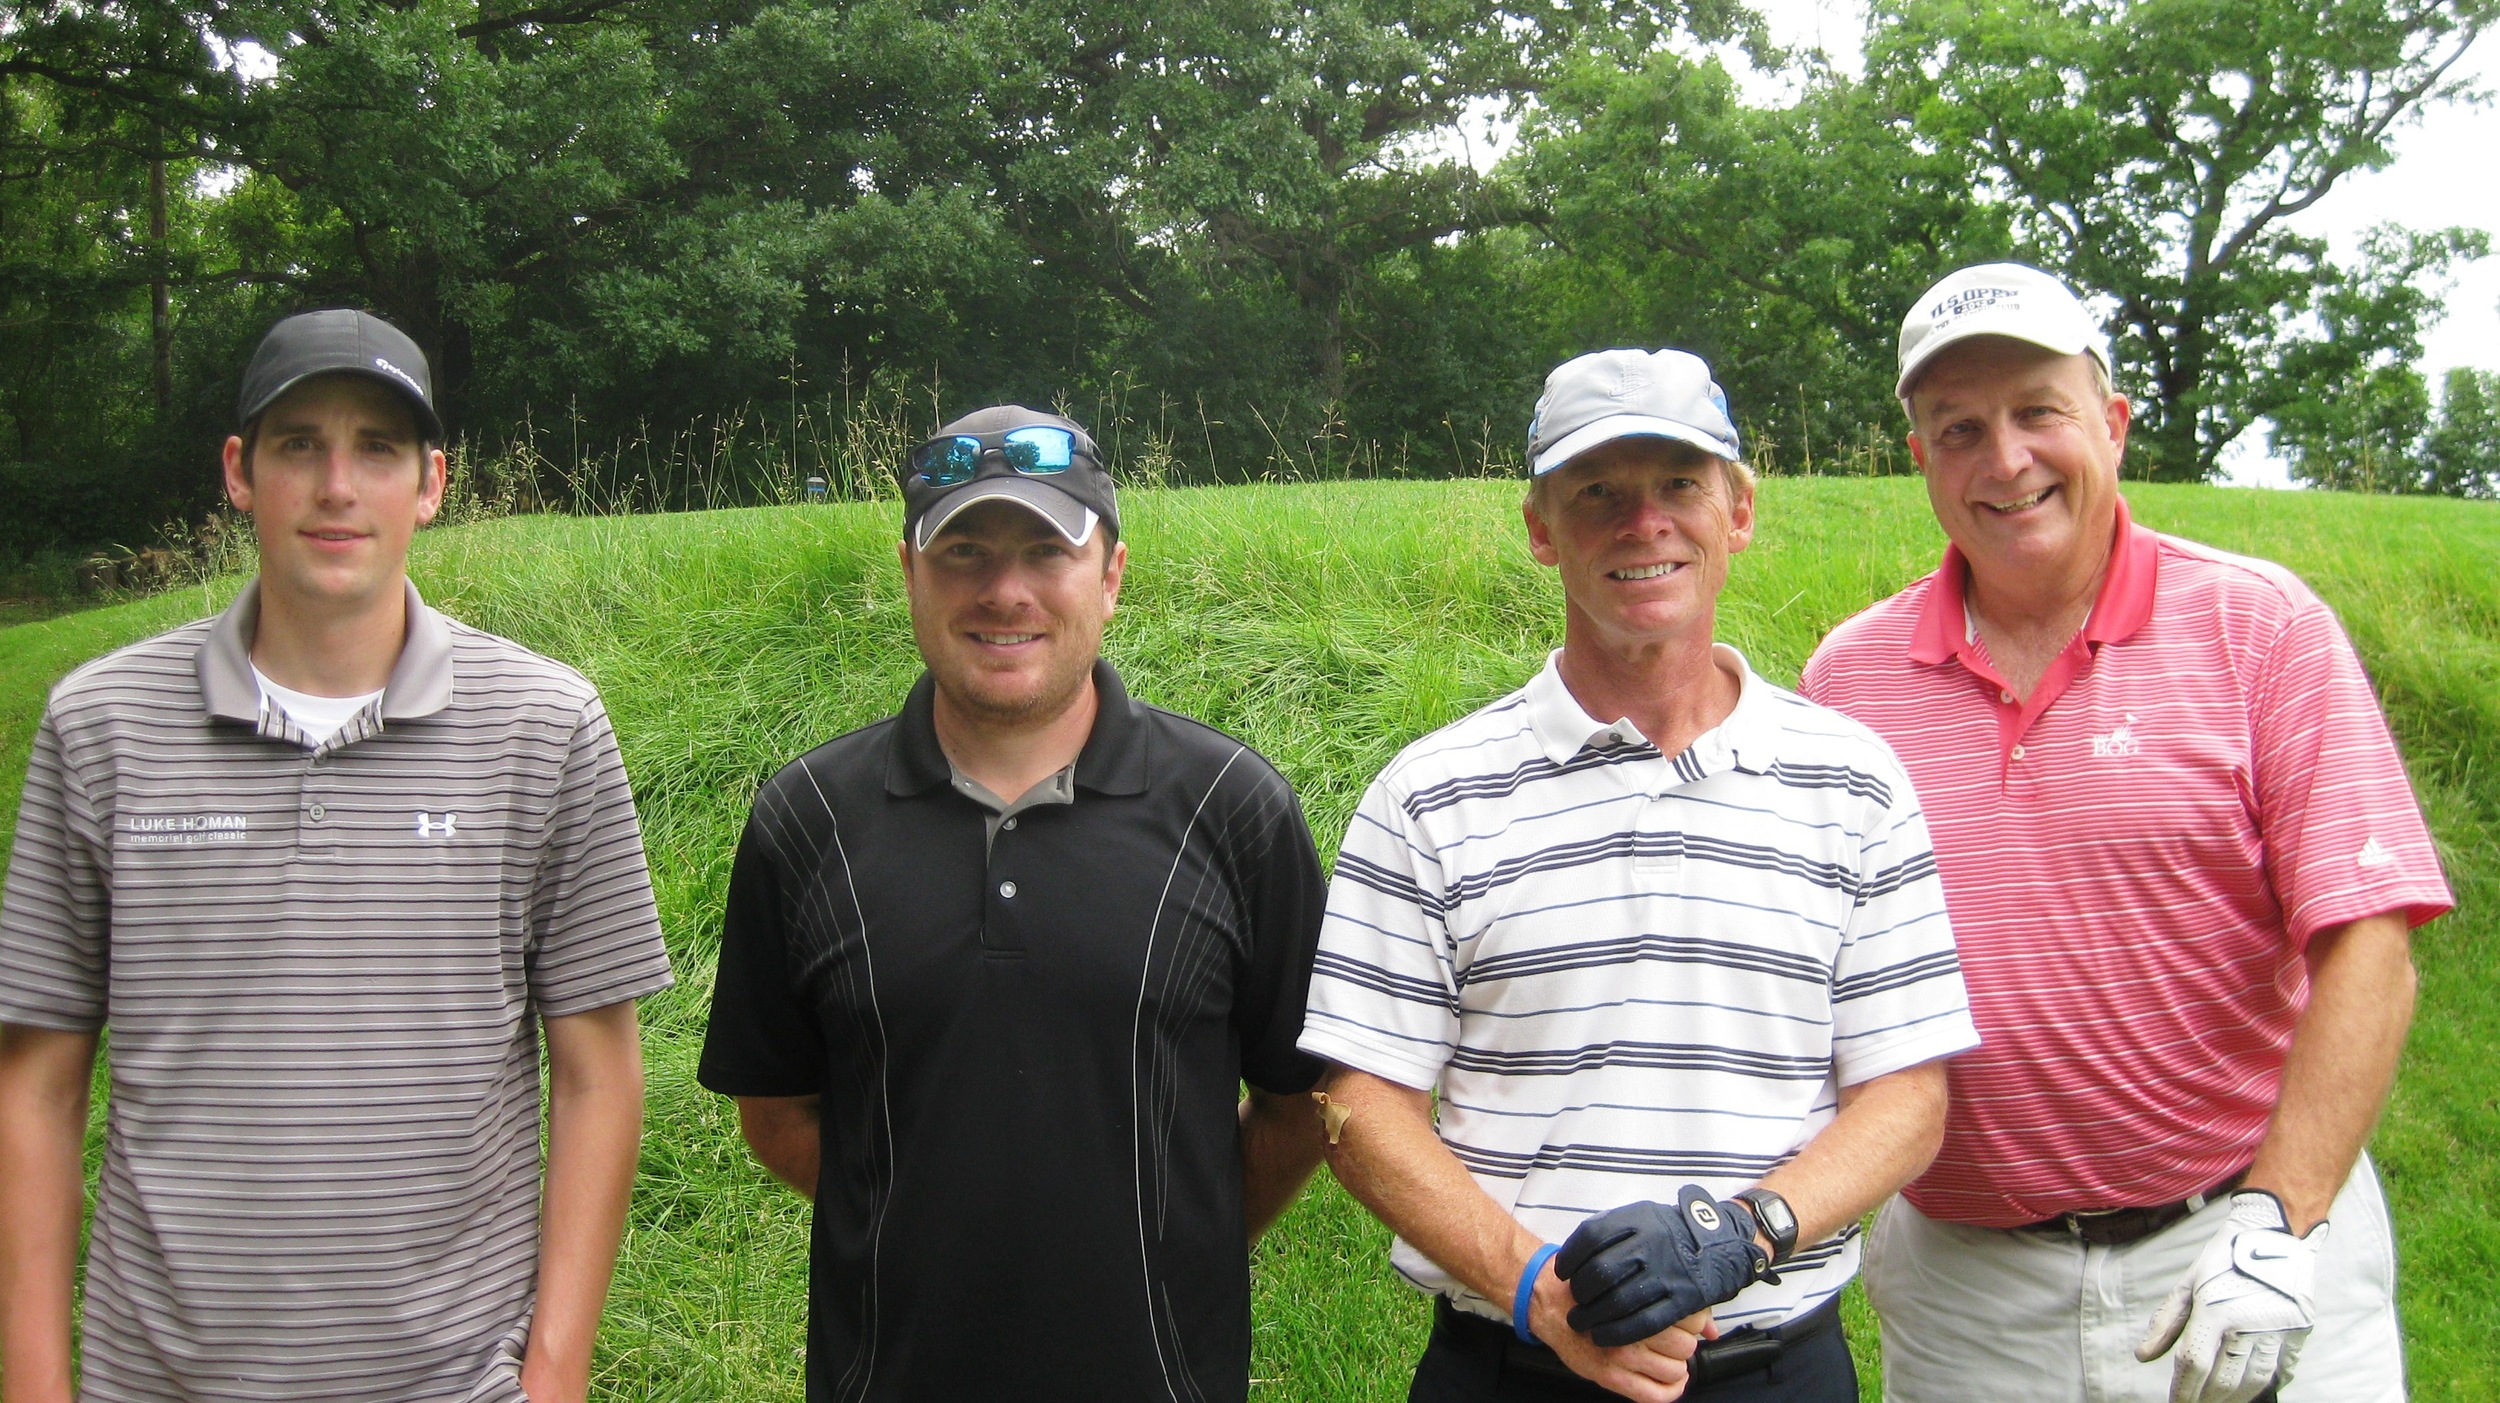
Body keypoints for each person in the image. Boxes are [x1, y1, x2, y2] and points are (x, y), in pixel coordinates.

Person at [1801, 262, 2457, 1403]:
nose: (2003, 460)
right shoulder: (1848, 677)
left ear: (2109, 423)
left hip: (2245, 1240)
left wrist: (2280, 1218)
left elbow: (2368, 945)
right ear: (1920, 457)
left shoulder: (2261, 626)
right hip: (1970, 1296)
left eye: (2036, 412)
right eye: (1958, 427)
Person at [0, 309, 673, 1403]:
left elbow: (600, 1072)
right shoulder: (101, 723)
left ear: (431, 482)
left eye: (377, 448)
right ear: (239, 470)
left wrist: (554, 1375)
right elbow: (34, 1081)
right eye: (299, 443)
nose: (336, 485)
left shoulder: (545, 724)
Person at [1301, 349, 1981, 1403]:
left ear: (1738, 508)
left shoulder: (1854, 782)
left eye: (1678, 484)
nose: (1642, 522)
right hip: (1510, 1362)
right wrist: (1540, 1290)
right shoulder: (1428, 794)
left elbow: (1907, 1095)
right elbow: (1359, 1102)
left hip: (1775, 1365)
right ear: (1540, 526)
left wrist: (1745, 1231)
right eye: (1598, 493)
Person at [696, 404, 1330, 1402]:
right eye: (963, 553)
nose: (1004, 591)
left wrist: (1168, 1238)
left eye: (1047, 549)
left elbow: (1302, 1104)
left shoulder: (1232, 808)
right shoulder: (807, 818)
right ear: (909, 571)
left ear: (1112, 573)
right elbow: (776, 1112)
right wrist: (936, 1228)